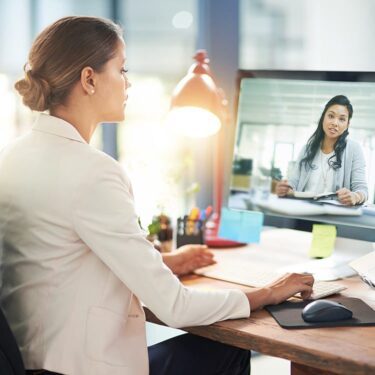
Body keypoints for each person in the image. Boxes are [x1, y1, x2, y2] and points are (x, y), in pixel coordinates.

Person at [0, 16, 314, 375]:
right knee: (227, 351)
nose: (128, 82)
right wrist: (269, 293)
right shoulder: (93, 172)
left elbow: (61, 260)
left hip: (35, 362)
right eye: (121, 69)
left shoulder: (11, 156)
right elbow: (175, 307)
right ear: (89, 79)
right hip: (84, 369)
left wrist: (167, 263)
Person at [276, 95, 368, 205]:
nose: (335, 123)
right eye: (331, 116)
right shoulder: (307, 149)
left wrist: (355, 196)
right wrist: (285, 189)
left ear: (347, 125)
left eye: (342, 119)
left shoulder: (354, 149)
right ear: (323, 117)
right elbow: (293, 183)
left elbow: (362, 190)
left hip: (332, 216)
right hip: (302, 212)